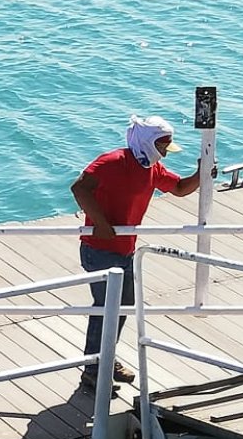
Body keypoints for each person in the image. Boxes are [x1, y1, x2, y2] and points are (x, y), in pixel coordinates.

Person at [71, 114, 203, 392]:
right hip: (100, 249)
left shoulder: (152, 169)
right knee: (106, 308)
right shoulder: (112, 162)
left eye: (167, 146)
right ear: (146, 142)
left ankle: (104, 358)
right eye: (162, 145)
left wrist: (201, 174)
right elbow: (80, 188)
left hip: (125, 249)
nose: (165, 151)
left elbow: (178, 188)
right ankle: (94, 368)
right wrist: (101, 224)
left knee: (122, 307)